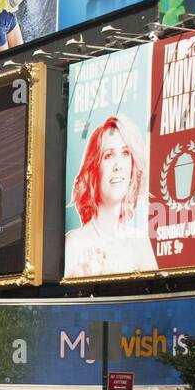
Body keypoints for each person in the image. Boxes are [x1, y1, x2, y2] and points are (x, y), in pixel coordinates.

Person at [64, 114, 158, 279]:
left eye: (125, 153)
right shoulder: (74, 242)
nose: (118, 166)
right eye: (108, 155)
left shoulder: (140, 241)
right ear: (94, 169)